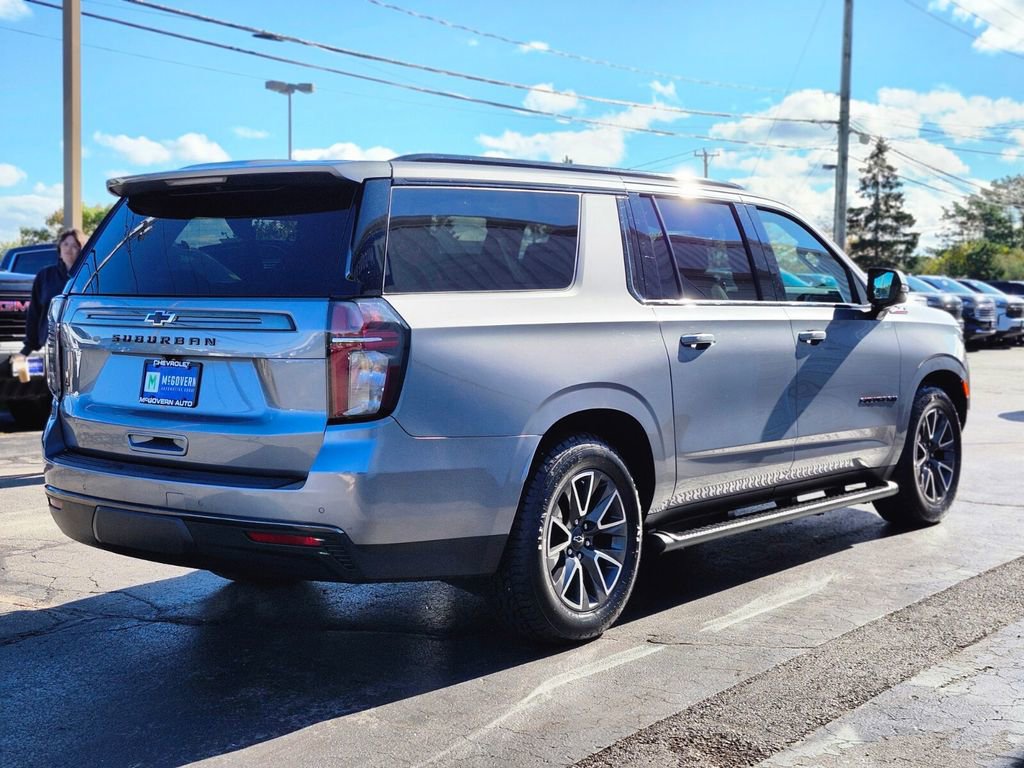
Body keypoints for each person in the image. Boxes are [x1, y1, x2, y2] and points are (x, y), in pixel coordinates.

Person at [20, 228, 85, 356]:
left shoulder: (87, 277)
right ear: (59, 249)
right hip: (50, 345)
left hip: (81, 345)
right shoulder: (45, 276)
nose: (68, 249)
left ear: (81, 250)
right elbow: (35, 313)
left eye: (74, 245)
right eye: (65, 244)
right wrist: (28, 347)